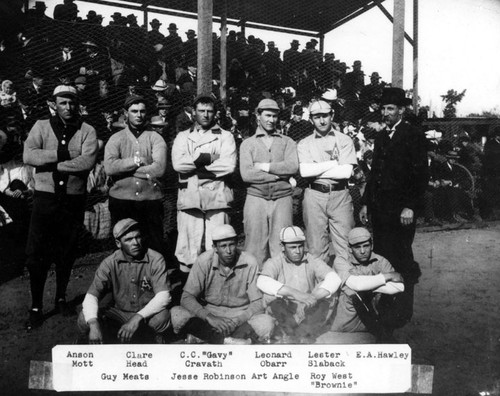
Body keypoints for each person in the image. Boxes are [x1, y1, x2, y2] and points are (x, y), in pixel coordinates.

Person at [23, 85, 98, 329]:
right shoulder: (41, 126)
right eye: (63, 103)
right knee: (37, 254)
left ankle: (61, 297)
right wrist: (62, 155)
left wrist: (53, 165)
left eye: (72, 103)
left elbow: (87, 161)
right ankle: (36, 305)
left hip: (72, 199)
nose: (68, 107)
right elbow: (29, 156)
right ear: (53, 104)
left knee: (66, 251)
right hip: (45, 199)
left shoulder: (87, 130)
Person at [360, 87, 428, 333]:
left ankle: (402, 309)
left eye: (390, 109)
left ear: (401, 110)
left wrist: (410, 205)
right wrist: (367, 202)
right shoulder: (380, 138)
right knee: (381, 254)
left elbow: (420, 175)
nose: (385, 113)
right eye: (383, 109)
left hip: (402, 210)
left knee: (401, 256)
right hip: (380, 209)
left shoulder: (413, 135)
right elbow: (374, 173)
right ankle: (385, 305)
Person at [171, 224, 275, 344]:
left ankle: (206, 337)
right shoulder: (204, 261)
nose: (228, 251)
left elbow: (257, 302)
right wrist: (210, 317)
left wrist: (238, 320)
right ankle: (232, 341)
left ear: (237, 244)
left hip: (239, 315)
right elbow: (186, 297)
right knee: (177, 314)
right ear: (214, 247)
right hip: (211, 313)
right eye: (223, 246)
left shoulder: (249, 261)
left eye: (231, 244)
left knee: (267, 323)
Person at [77, 219, 172, 344]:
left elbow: (164, 296)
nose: (136, 243)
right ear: (118, 243)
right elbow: (91, 296)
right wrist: (94, 324)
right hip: (119, 312)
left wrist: (137, 317)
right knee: (85, 318)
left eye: (138, 237)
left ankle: (151, 339)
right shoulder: (109, 262)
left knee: (162, 318)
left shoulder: (155, 259)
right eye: (128, 239)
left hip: (147, 314)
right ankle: (87, 343)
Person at [172, 94, 237, 274]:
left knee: (217, 245)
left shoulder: (226, 136)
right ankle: (188, 291)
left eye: (209, 111)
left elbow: (228, 166)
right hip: (190, 197)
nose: (206, 115)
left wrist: (195, 168)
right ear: (194, 112)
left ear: (215, 113)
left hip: (217, 197)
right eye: (201, 111)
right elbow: (178, 164)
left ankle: (215, 288)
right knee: (188, 246)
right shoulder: (183, 137)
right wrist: (207, 158)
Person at [104, 95, 168, 257]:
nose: (139, 115)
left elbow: (159, 169)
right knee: (124, 246)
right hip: (122, 201)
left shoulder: (156, 138)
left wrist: (125, 169)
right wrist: (136, 161)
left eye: (142, 111)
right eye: (134, 111)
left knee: (153, 246)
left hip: (150, 200)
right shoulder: (116, 138)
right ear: (126, 113)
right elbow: (110, 167)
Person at [239, 98, 299, 267]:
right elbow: (247, 174)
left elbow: (292, 166)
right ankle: (253, 285)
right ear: (258, 116)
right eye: (267, 115)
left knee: (281, 243)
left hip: (282, 197)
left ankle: (280, 285)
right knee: (254, 245)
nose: (271, 120)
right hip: (256, 197)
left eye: (274, 116)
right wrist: (279, 175)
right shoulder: (248, 144)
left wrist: (264, 167)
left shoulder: (287, 141)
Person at [257, 226, 341, 342]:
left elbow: (334, 278)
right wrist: (295, 293)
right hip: (285, 312)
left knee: (330, 292)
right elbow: (262, 281)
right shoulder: (274, 262)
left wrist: (313, 297)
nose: (298, 251)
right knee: (269, 296)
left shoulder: (311, 259)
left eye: (300, 246)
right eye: (292, 247)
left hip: (307, 311)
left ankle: (299, 333)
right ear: (282, 247)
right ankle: (292, 333)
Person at [297, 100, 357, 264]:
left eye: (325, 116)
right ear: (311, 119)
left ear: (332, 115)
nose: (322, 121)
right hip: (314, 195)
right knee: (316, 248)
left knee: (345, 246)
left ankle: (347, 288)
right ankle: (322, 287)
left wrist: (317, 169)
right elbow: (305, 172)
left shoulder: (344, 140)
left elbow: (345, 172)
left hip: (340, 195)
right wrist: (333, 163)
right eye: (317, 117)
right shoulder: (304, 143)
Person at [331, 227, 404, 342]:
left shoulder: (380, 261)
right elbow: (357, 285)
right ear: (349, 249)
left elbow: (399, 287)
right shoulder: (341, 261)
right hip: (346, 324)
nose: (362, 251)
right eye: (357, 247)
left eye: (366, 246)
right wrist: (386, 277)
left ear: (372, 245)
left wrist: (369, 285)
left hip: (372, 323)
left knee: (389, 298)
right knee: (354, 293)